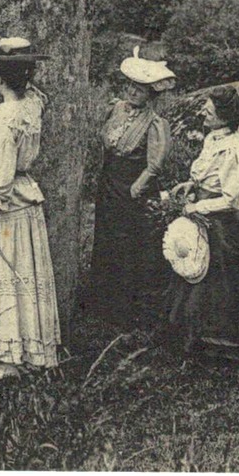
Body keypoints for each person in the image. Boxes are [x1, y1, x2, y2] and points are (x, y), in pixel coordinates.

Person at [0, 38, 61, 380]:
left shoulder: (4, 121)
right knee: (23, 277)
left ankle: (8, 359)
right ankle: (28, 350)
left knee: (3, 274)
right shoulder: (31, 108)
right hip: (27, 201)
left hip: (8, 206)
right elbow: (35, 94)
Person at [167, 85, 239, 367]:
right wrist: (192, 185)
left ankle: (222, 346)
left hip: (221, 225)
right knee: (193, 270)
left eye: (209, 110)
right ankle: (189, 336)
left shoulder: (234, 149)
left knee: (221, 281)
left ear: (225, 116)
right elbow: (209, 177)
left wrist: (197, 207)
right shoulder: (213, 139)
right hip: (201, 215)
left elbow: (235, 199)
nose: (203, 112)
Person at [84, 47, 174, 329]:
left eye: (141, 89)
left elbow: (154, 165)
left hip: (133, 187)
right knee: (106, 237)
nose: (133, 92)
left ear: (151, 94)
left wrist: (137, 187)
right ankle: (101, 300)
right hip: (109, 181)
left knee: (129, 243)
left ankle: (124, 309)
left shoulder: (155, 124)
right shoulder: (115, 108)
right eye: (131, 86)